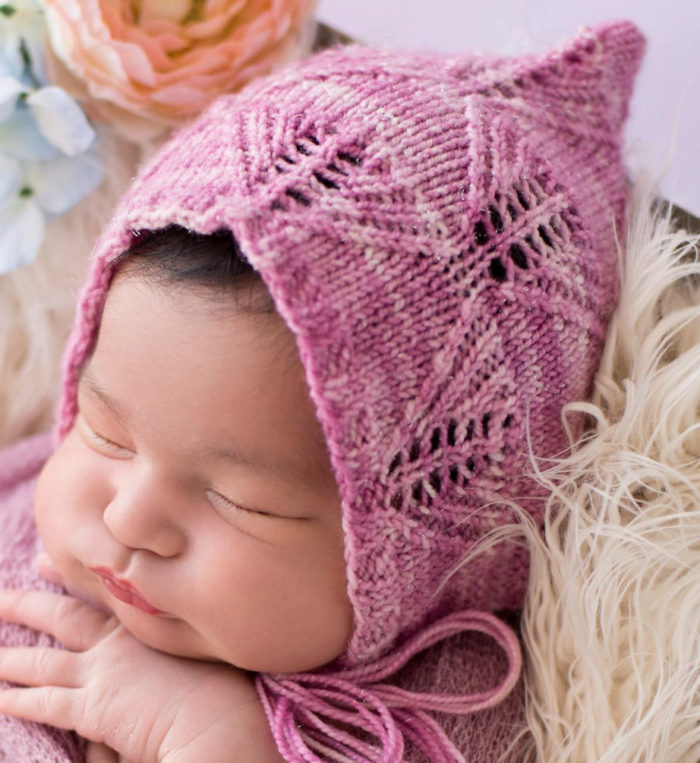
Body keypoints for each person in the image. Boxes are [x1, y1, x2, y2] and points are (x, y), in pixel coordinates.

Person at [0, 19, 645, 762]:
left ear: (418, 555)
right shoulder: (30, 509)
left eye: (242, 499)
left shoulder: (438, 714)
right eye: (106, 430)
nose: (128, 514)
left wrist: (218, 743)